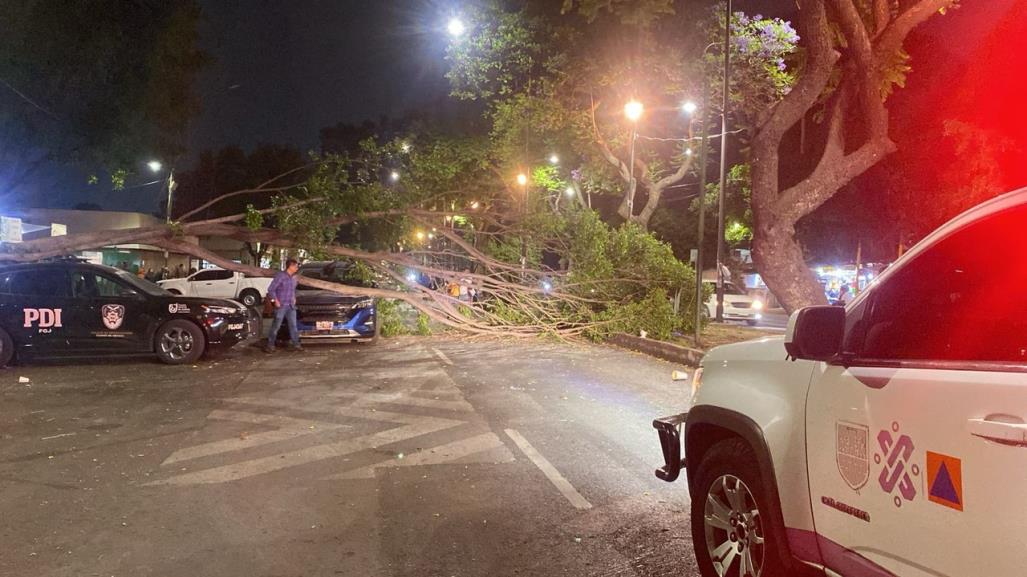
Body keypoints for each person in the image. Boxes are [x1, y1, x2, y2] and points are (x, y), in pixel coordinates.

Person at [264, 258, 302, 353]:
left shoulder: (293, 278)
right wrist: (275, 300)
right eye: (296, 266)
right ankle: (270, 345)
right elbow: (271, 289)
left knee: (293, 325)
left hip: (290, 305)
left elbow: (292, 289)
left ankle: (296, 344)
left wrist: (293, 297)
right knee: (276, 325)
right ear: (291, 266)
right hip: (281, 305)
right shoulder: (280, 276)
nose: (297, 268)